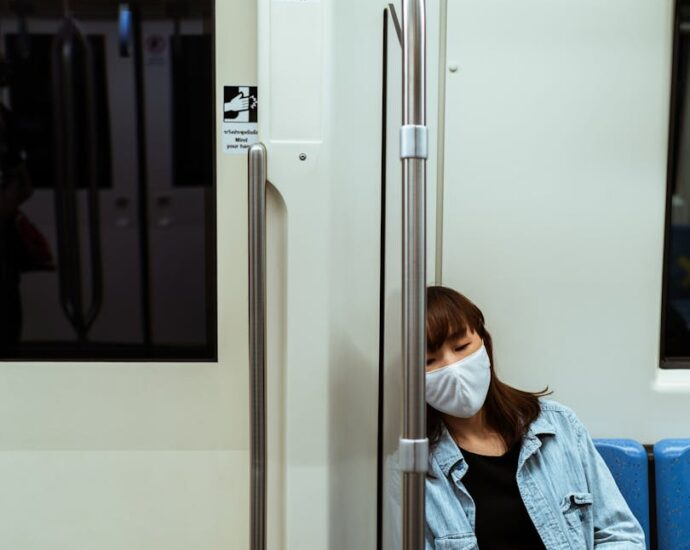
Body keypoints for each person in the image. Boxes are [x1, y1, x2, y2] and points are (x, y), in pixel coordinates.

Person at [423, 285, 645, 549]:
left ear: (485, 344)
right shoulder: (416, 467)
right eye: (429, 360)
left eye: (461, 347)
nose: (452, 368)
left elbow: (620, 533)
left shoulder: (558, 426)